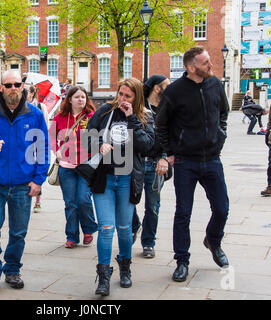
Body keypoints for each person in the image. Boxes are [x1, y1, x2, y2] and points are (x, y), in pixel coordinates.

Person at [155, 46, 230, 282]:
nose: (210, 65)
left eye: (209, 60)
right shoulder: (174, 92)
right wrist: (168, 153)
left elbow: (224, 113)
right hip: (186, 161)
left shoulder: (215, 85)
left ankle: (213, 241)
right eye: (205, 62)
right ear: (191, 67)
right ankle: (182, 261)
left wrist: (220, 135)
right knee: (183, 212)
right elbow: (161, 125)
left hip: (212, 159)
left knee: (222, 208)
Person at [0, 70, 49, 295]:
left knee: (18, 232)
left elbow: (42, 149)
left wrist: (38, 180)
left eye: (17, 84)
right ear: (0, 88)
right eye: (8, 85)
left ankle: (13, 269)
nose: (13, 88)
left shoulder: (34, 115)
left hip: (24, 186)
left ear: (22, 87)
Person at [85, 78, 154, 296]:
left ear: (137, 98)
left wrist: (131, 117)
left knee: (124, 229)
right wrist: (98, 144)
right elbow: (88, 136)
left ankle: (125, 268)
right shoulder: (105, 111)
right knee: (106, 229)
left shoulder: (144, 116)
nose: (122, 99)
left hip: (127, 179)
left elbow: (147, 146)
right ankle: (103, 275)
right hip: (104, 179)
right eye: (120, 94)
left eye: (127, 96)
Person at [50, 86, 98, 249]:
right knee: (70, 202)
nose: (80, 100)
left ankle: (88, 229)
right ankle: (71, 236)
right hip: (66, 167)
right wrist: (56, 151)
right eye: (77, 97)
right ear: (69, 99)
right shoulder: (60, 117)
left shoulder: (92, 117)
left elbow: (99, 137)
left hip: (86, 167)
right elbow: (50, 136)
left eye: (83, 97)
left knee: (83, 199)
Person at [131, 74, 171, 259]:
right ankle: (134, 225)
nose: (169, 88)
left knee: (152, 206)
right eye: (166, 85)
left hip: (157, 164)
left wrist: (165, 157)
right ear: (157, 88)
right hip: (135, 162)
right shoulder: (138, 107)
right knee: (128, 202)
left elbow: (171, 137)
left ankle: (148, 243)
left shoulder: (168, 109)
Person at [26, 84, 49, 213]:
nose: (24, 94)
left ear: (32, 94)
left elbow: (45, 125)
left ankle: (38, 201)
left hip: (37, 144)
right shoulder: (20, 107)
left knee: (38, 171)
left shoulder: (41, 107)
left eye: (27, 92)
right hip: (26, 144)